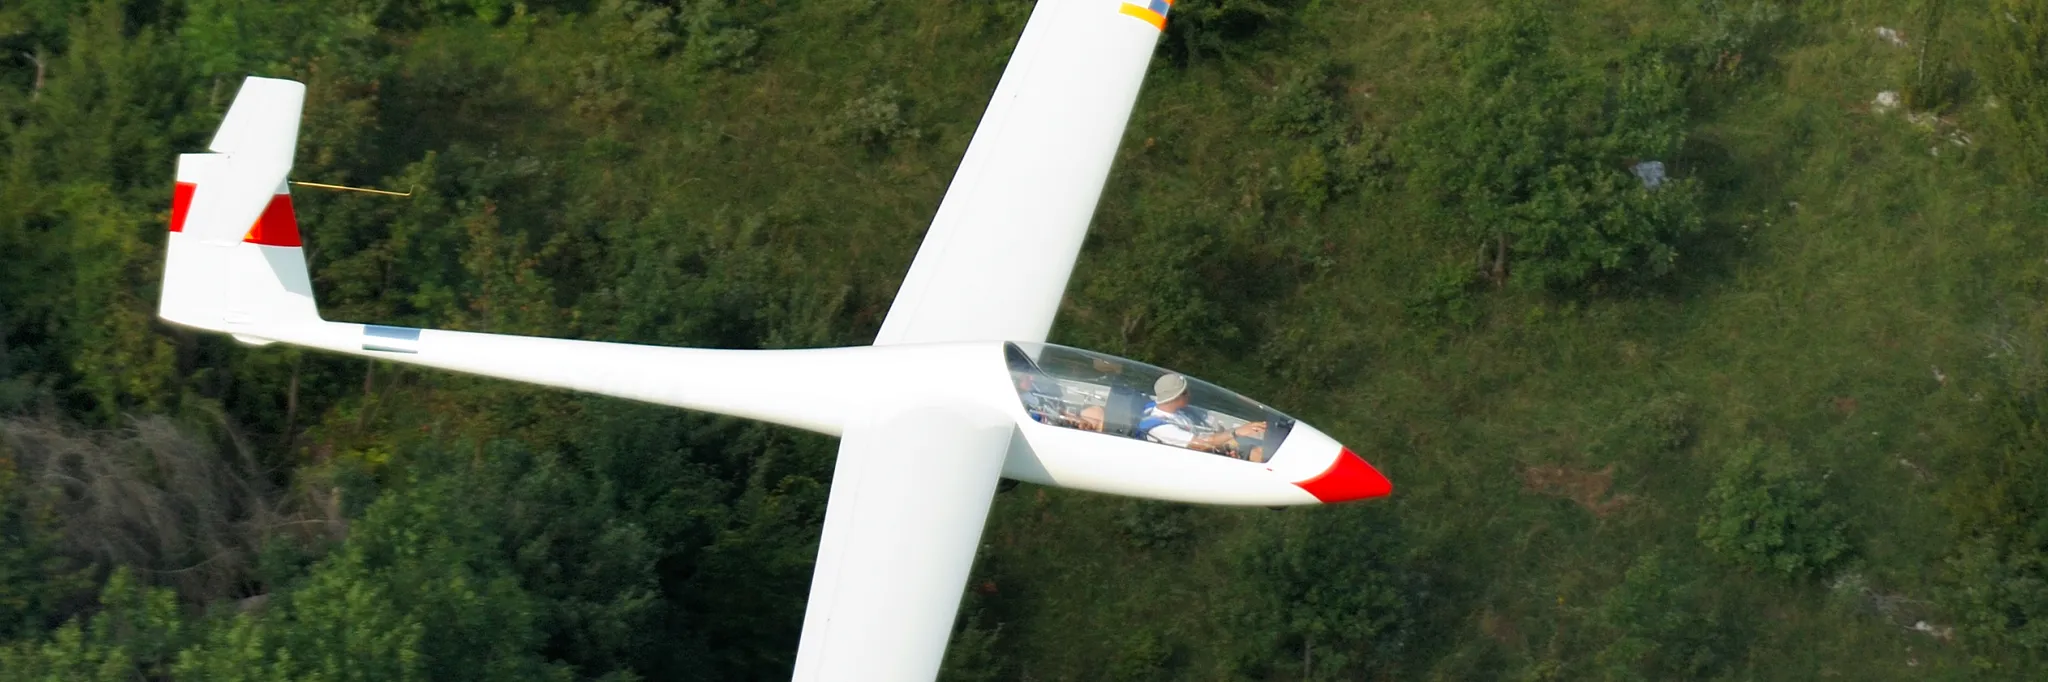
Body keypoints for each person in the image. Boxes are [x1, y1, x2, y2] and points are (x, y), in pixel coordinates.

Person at [1139, 374, 1265, 458]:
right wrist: (1237, 432)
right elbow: (1202, 444)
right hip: (1195, 460)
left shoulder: (1172, 411)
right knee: (1257, 453)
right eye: (1186, 392)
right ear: (1175, 398)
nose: (1189, 395)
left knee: (1257, 447)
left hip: (1208, 449)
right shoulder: (1162, 429)